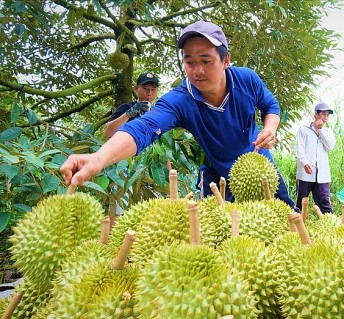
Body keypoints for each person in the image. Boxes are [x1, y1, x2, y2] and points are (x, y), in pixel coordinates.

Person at [61, 21, 298, 211]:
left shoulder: (246, 80)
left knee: (285, 214)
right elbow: (143, 129)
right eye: (189, 61)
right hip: (217, 170)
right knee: (219, 232)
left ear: (226, 61)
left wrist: (270, 128)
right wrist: (100, 158)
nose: (197, 71)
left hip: (259, 161)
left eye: (206, 61)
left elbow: (270, 105)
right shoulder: (180, 100)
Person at [295, 102, 336, 214]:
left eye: (328, 115)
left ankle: (332, 229)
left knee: (325, 204)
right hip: (306, 174)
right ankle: (296, 228)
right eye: (323, 114)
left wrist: (320, 130)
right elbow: (299, 150)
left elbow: (330, 146)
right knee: (300, 204)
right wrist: (305, 163)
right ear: (316, 114)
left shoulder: (328, 132)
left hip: (323, 175)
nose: (326, 117)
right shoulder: (303, 130)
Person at [104, 72, 159, 138]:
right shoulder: (126, 107)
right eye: (145, 88)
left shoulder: (157, 112)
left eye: (153, 90)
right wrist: (129, 114)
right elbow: (108, 132)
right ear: (136, 88)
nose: (149, 93)